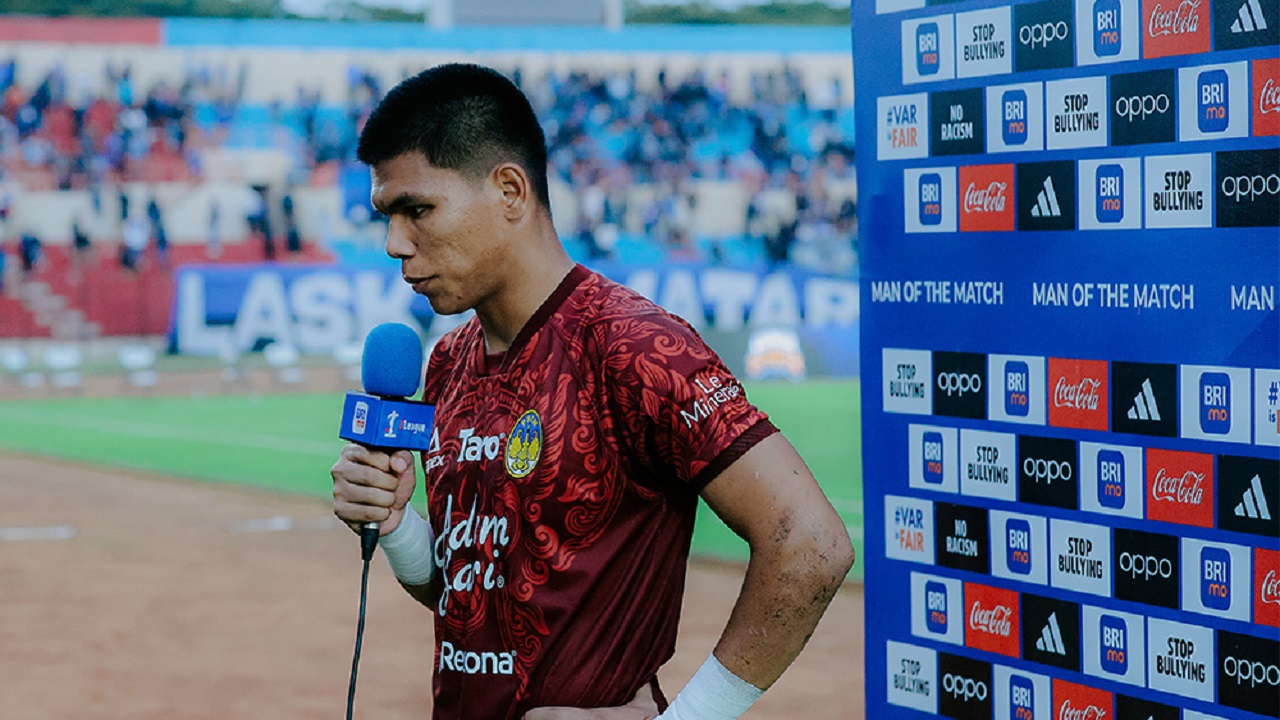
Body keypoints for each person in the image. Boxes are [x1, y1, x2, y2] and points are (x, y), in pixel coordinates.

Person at [330, 63, 854, 720]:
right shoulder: (446, 363)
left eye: (417, 210)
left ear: (511, 191)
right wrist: (398, 526)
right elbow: (467, 594)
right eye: (386, 214)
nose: (393, 243)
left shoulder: (633, 346)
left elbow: (811, 544)